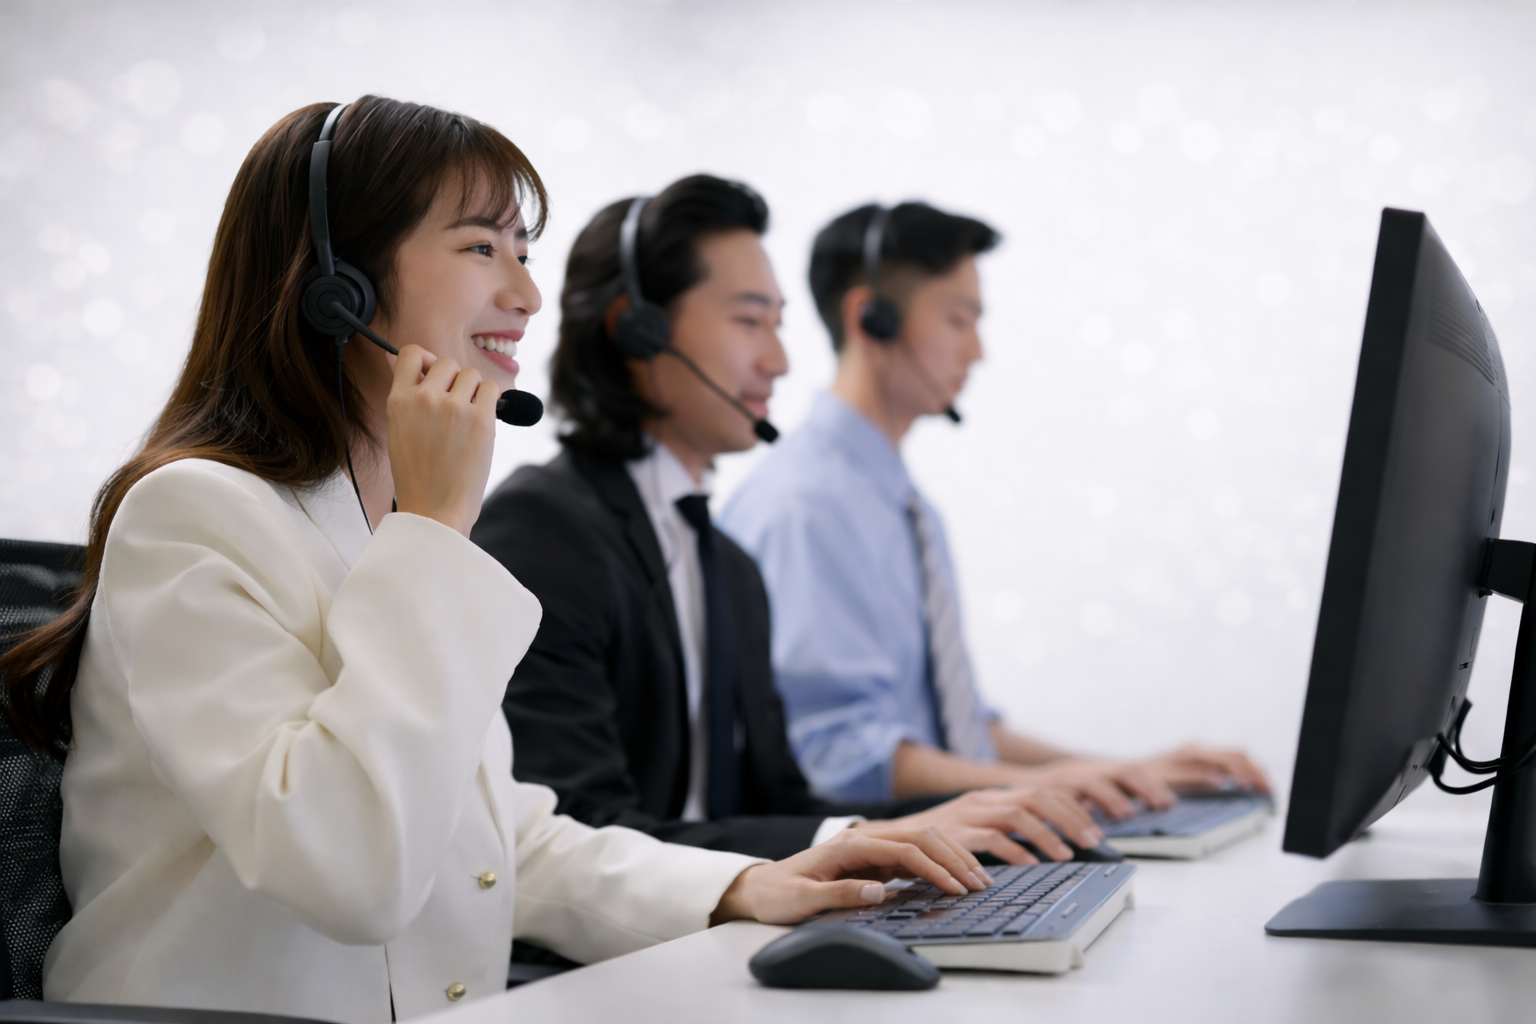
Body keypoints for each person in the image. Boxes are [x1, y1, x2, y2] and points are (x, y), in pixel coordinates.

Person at [0, 103, 992, 1024]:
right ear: (334, 283)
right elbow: (348, 865)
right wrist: (435, 528)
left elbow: (490, 834)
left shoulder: (381, 523)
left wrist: (742, 881)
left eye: (525, 253)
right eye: (482, 247)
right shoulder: (194, 515)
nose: (524, 294)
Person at [471, 175, 1104, 874]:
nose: (778, 362)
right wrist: (859, 841)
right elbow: (577, 829)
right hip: (601, 963)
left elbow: (778, 800)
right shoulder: (544, 529)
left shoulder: (727, 564)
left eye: (778, 323)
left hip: (722, 938)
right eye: (749, 322)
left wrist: (949, 825)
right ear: (637, 329)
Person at [719, 202, 1269, 810]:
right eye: (959, 320)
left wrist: (1127, 773)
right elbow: (840, 755)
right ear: (871, 318)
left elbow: (964, 734)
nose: (977, 350)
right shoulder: (804, 507)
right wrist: (1043, 788)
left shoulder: (905, 506)